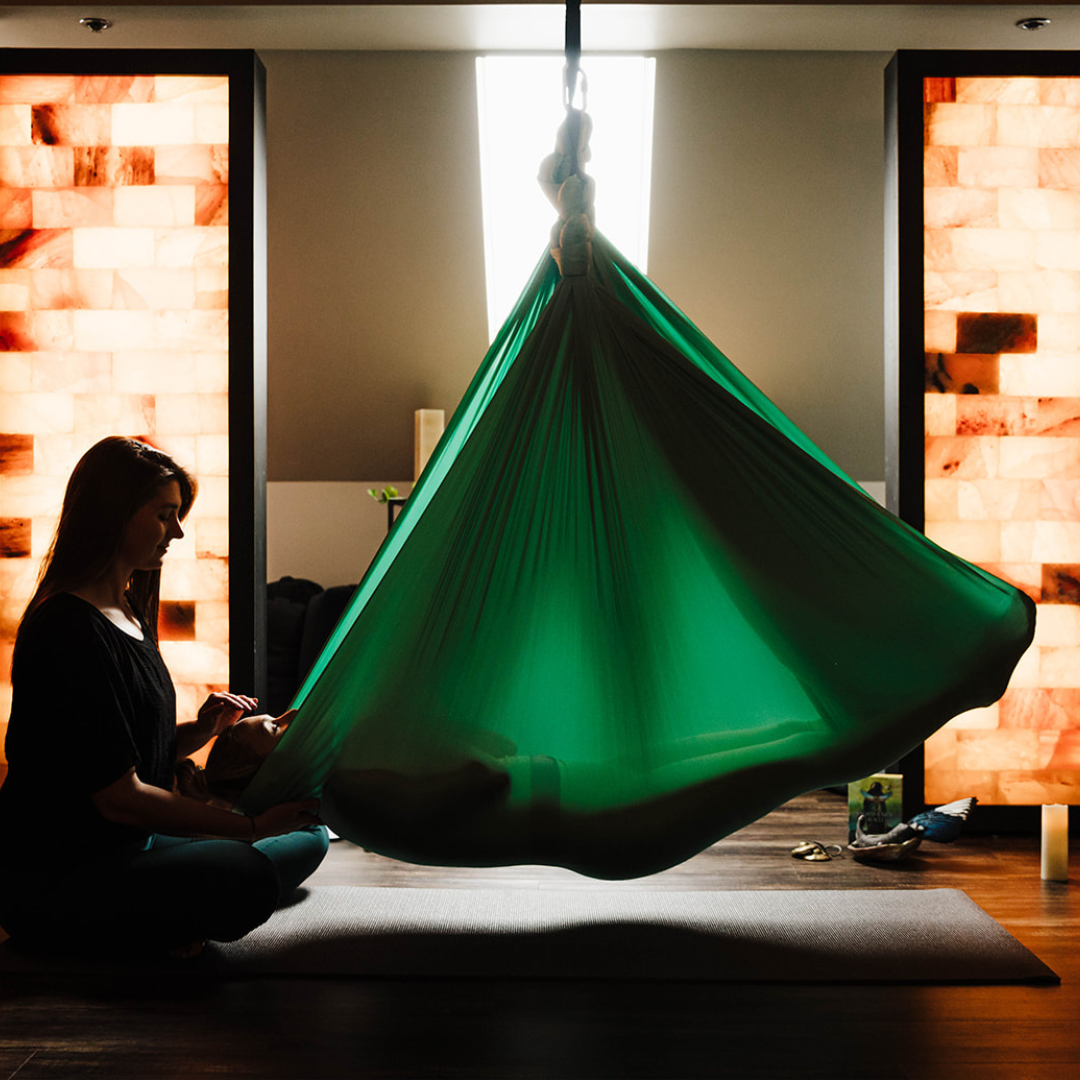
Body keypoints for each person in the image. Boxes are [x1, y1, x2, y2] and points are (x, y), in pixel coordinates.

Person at [0, 437, 328, 959]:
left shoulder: (128, 612)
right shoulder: (66, 628)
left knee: (307, 836)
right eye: (164, 515)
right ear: (114, 515)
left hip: (133, 845)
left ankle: (169, 914)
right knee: (249, 871)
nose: (176, 531)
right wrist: (247, 828)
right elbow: (117, 796)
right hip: (63, 874)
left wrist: (200, 733)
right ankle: (131, 929)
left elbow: (118, 756)